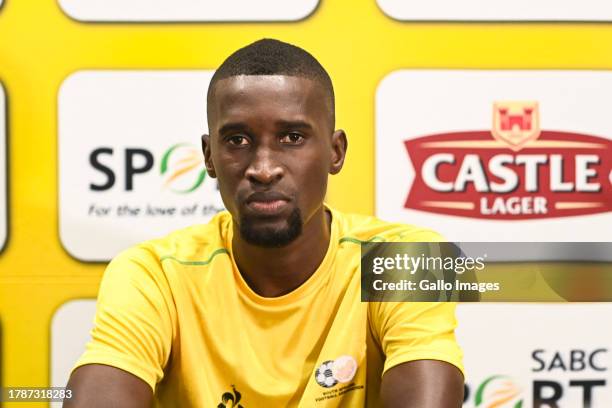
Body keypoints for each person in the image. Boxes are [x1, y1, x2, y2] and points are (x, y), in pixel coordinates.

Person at [65, 38, 464, 407]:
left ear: (335, 151)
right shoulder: (154, 274)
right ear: (208, 156)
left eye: (292, 137)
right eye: (237, 139)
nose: (264, 168)